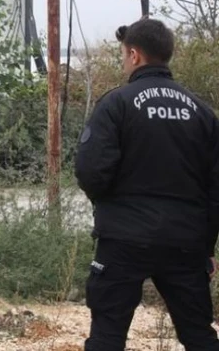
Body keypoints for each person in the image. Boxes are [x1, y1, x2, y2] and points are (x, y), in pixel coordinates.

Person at [76, 18, 219, 351]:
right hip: (185, 243)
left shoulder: (117, 104)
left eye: (124, 55)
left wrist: (110, 207)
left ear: (135, 55)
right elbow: (216, 188)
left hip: (123, 239)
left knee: (107, 336)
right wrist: (206, 248)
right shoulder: (202, 113)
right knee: (199, 335)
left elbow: (90, 170)